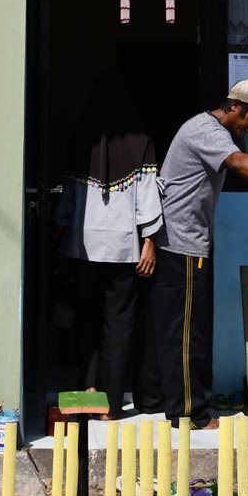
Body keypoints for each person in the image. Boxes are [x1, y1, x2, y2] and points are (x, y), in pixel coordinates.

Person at [148, 79, 248, 429]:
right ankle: (189, 413)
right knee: (186, 334)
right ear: (235, 106)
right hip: (182, 243)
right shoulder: (206, 130)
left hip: (192, 243)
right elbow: (236, 162)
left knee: (192, 329)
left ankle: (178, 403)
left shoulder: (213, 130)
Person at [57, 72, 163, 419]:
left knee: (87, 320)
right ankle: (111, 406)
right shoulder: (141, 141)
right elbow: (148, 198)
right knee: (119, 326)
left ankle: (86, 397)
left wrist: (64, 234)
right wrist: (149, 241)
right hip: (124, 250)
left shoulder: (80, 141)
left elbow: (68, 205)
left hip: (83, 249)